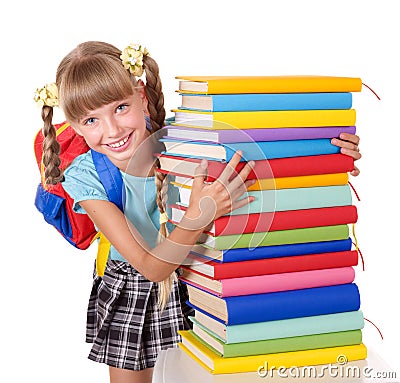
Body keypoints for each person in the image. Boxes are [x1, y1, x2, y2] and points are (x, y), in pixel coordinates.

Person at [35, 40, 362, 383]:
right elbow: (151, 268)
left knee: (211, 371)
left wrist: (327, 155)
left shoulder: (190, 138)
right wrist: (198, 215)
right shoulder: (86, 176)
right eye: (91, 120)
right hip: (134, 281)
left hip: (204, 270)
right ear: (73, 126)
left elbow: (261, 158)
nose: (112, 131)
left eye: (120, 108)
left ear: (141, 96)